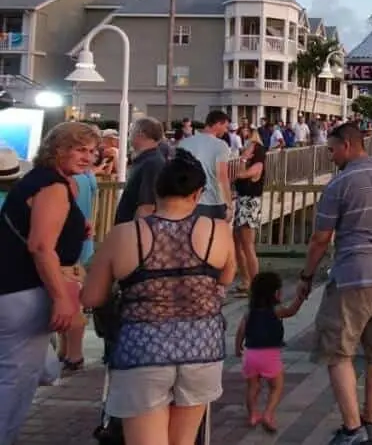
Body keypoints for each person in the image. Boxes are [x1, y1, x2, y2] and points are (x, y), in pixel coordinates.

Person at [81, 150, 236, 445]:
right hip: (201, 347)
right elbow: (226, 278)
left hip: (143, 350)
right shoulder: (218, 230)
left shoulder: (125, 234)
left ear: (157, 190)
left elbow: (92, 297)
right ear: (198, 193)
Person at [297, 123, 372, 445]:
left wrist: (306, 276)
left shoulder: (340, 183)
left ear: (349, 145)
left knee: (338, 352)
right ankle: (369, 424)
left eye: (333, 148)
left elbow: (320, 238)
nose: (331, 155)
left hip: (354, 275)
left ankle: (352, 431)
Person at [0, 122, 99, 443]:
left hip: (16, 288)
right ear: (57, 149)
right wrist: (62, 298)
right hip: (24, 289)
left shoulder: (51, 182)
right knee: (16, 379)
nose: (87, 157)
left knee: (33, 370)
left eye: (91, 150)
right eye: (79, 149)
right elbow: (41, 246)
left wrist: (75, 228)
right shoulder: (53, 187)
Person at [234, 272, 306, 432]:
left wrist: (237, 348)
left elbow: (240, 331)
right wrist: (300, 298)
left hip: (250, 355)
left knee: (253, 387)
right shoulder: (276, 311)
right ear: (275, 293)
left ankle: (253, 415)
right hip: (270, 355)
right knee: (276, 386)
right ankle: (268, 413)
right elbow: (292, 311)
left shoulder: (249, 312)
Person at [58, 160, 99, 373]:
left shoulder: (62, 181)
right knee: (72, 298)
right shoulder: (87, 176)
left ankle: (71, 353)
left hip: (65, 251)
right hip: (78, 247)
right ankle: (69, 352)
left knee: (69, 299)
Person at [176, 110, 233, 221]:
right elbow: (222, 176)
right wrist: (229, 205)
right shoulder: (221, 145)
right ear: (218, 124)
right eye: (225, 127)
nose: (226, 131)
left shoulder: (185, 143)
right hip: (213, 202)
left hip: (188, 202)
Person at [114, 117, 167, 226]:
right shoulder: (147, 160)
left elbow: (147, 206)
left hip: (135, 233)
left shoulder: (152, 163)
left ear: (140, 134)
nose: (129, 137)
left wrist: (137, 235)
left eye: (130, 132)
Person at [232, 131, 266, 297]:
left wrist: (243, 159)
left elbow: (241, 174)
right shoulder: (250, 163)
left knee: (247, 245)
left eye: (250, 147)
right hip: (241, 202)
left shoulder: (257, 165)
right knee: (237, 242)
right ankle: (246, 280)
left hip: (249, 205)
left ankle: (254, 282)